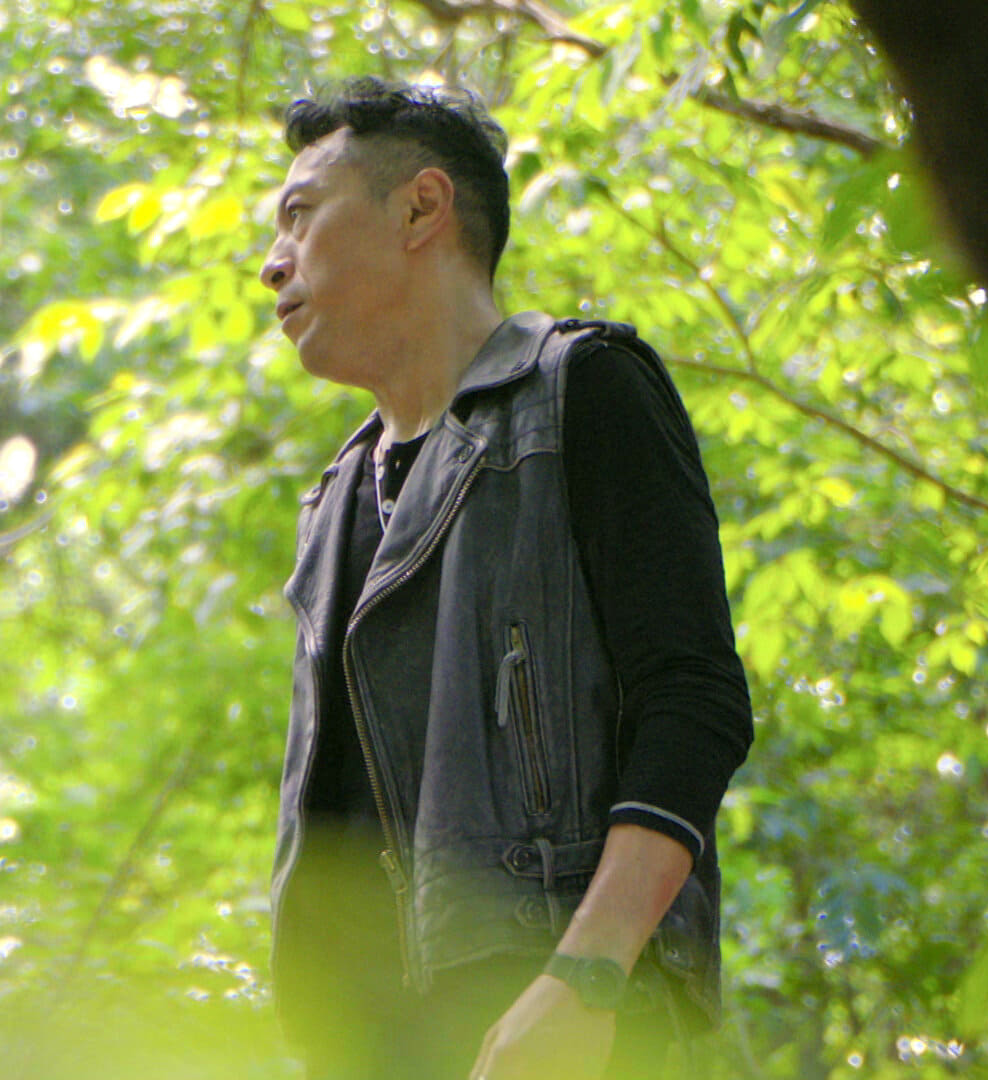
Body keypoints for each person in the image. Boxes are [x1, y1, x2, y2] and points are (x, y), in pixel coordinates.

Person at [259, 78, 754, 1080]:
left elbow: (692, 701)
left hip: (567, 1028)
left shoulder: (582, 390)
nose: (273, 262)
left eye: (300, 215)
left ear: (421, 209)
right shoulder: (334, 504)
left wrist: (586, 981)